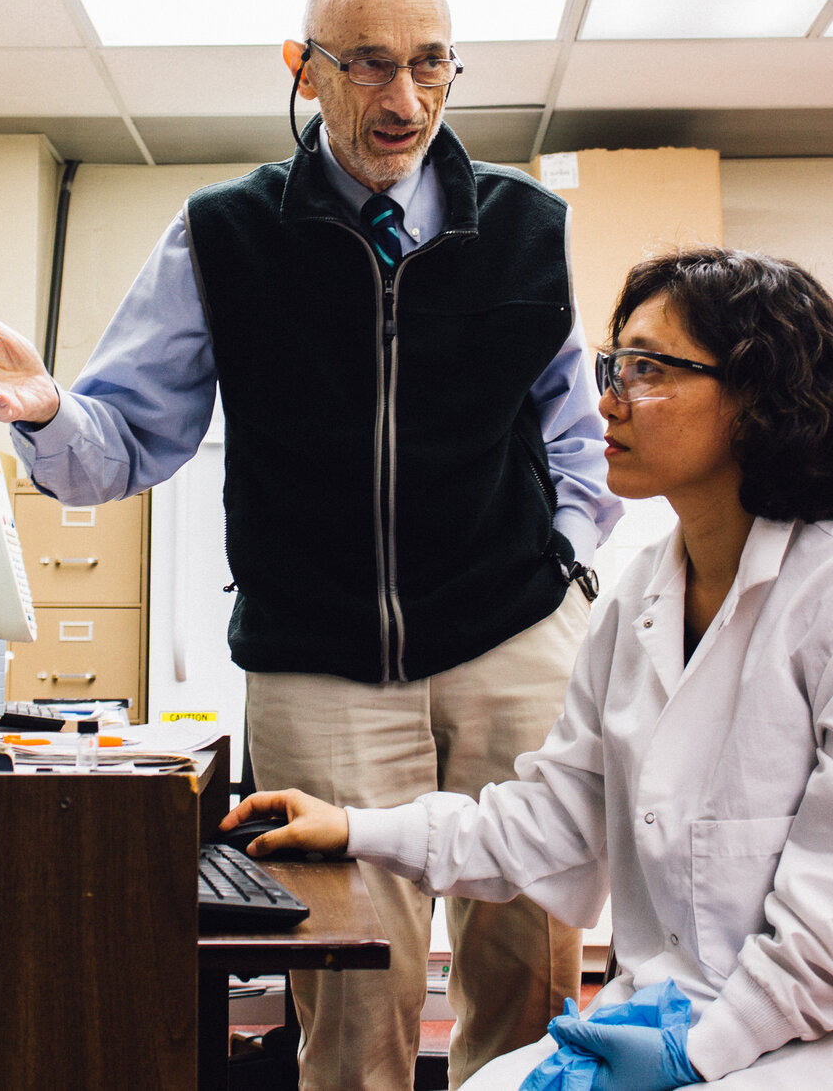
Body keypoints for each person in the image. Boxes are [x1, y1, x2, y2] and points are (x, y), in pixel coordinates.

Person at [0, 0, 619, 1090]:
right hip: (320, 662)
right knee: (352, 1011)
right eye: (370, 67)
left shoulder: (526, 227)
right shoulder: (224, 235)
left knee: (532, 986)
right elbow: (124, 442)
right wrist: (48, 411)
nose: (404, 102)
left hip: (511, 635)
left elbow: (573, 434)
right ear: (305, 70)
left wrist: (566, 564)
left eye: (431, 66)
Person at [222, 247, 833, 1089]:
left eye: (648, 369)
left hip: (793, 1039)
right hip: (666, 1013)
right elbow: (550, 817)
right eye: (613, 364)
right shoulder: (637, 600)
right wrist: (358, 829)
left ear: (759, 397)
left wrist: (695, 1054)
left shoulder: (823, 596)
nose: (606, 399)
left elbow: (827, 929)